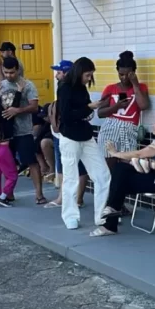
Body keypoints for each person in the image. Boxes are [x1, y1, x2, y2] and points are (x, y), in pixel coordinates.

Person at [92, 112, 155, 236]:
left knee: (120, 182)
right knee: (121, 170)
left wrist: (115, 154)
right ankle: (112, 214)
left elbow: (139, 154)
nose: (153, 125)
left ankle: (111, 221)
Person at [56, 57, 111, 230]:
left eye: (91, 75)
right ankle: (70, 216)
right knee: (71, 179)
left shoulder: (82, 88)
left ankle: (101, 215)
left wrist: (90, 109)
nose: (89, 78)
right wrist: (89, 107)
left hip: (86, 136)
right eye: (88, 75)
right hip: (70, 137)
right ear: (79, 72)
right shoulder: (64, 88)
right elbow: (65, 116)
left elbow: (83, 112)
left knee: (103, 175)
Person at [0, 56, 46, 204]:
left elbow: (34, 107)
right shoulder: (1, 85)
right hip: (6, 132)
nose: (9, 75)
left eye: (11, 72)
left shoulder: (28, 85)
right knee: (7, 163)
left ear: (17, 70)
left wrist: (17, 110)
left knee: (31, 161)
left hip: (23, 131)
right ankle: (9, 193)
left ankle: (39, 194)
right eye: (6, 72)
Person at [44, 60, 87, 210]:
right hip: (60, 133)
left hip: (73, 133)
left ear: (67, 73)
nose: (56, 75)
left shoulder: (73, 89)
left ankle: (78, 199)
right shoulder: (62, 88)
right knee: (62, 166)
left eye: (59, 72)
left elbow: (71, 113)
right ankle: (62, 197)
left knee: (78, 167)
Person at [97, 51, 150, 165]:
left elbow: (144, 106)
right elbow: (100, 113)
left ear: (133, 72)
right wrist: (116, 106)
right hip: (110, 129)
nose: (124, 78)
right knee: (109, 166)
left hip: (130, 129)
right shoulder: (111, 88)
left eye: (128, 74)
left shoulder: (141, 87)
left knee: (126, 166)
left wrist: (135, 84)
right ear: (117, 72)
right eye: (121, 74)